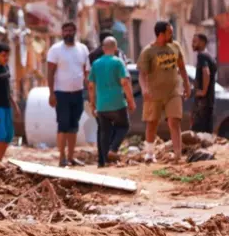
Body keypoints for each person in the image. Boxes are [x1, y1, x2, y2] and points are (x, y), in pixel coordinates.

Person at [137, 21, 190, 163]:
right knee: (152, 123)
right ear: (160, 34)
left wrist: (187, 85)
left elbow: (182, 68)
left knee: (174, 121)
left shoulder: (175, 46)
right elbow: (141, 74)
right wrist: (144, 89)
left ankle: (178, 155)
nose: (171, 34)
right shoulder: (148, 51)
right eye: (169, 32)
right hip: (154, 93)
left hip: (173, 91)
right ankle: (149, 153)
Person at [88, 37, 136, 168]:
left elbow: (91, 86)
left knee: (104, 131)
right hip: (118, 103)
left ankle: (104, 162)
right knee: (123, 126)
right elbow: (125, 82)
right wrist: (131, 101)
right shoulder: (118, 62)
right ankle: (113, 149)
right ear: (115, 48)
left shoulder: (96, 64)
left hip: (102, 105)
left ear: (103, 49)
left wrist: (92, 103)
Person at [47, 22, 90, 167]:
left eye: (71, 30)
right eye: (65, 31)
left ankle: (71, 157)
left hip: (78, 93)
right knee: (63, 126)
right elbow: (50, 72)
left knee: (74, 126)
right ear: (62, 32)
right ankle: (62, 158)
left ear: (75, 32)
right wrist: (51, 93)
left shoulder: (83, 49)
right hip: (61, 94)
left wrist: (89, 91)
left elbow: (86, 72)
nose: (68, 33)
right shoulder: (55, 49)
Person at [191, 33, 217, 133]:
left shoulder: (202, 56)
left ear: (202, 43)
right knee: (206, 133)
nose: (192, 44)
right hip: (209, 102)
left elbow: (206, 72)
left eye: (194, 42)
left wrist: (203, 91)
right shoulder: (210, 56)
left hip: (202, 103)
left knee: (197, 133)